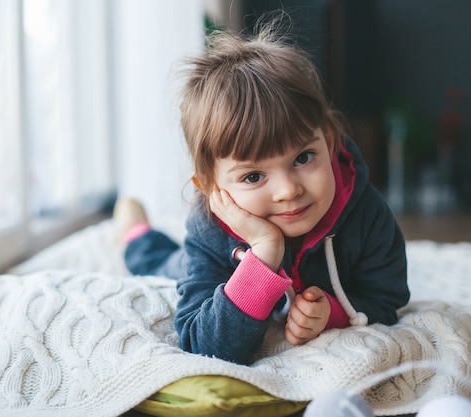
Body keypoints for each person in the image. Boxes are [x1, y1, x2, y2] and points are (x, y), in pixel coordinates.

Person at [115, 22, 410, 365]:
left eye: (303, 158)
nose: (288, 190)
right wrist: (263, 256)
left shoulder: (365, 210)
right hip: (215, 255)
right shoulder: (211, 230)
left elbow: (387, 297)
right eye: (254, 176)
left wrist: (334, 313)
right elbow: (203, 347)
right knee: (163, 263)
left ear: (329, 141)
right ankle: (136, 233)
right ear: (212, 189)